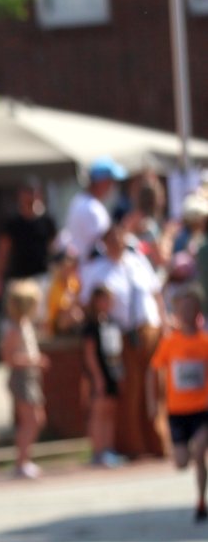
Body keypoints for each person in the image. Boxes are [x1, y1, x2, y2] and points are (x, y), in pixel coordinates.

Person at [79, 218, 166, 459]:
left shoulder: (138, 261)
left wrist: (164, 322)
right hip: (121, 336)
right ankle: (132, 446)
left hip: (148, 331)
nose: (117, 242)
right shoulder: (96, 269)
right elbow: (87, 303)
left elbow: (156, 293)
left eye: (120, 237)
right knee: (130, 391)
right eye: (112, 238)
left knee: (154, 388)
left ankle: (158, 443)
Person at [149, 285, 208, 519]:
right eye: (182, 308)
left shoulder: (205, 342)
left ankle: (201, 502)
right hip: (178, 411)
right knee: (182, 462)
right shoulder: (169, 342)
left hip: (202, 409)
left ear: (198, 311)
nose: (186, 313)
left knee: (200, 451)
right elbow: (152, 370)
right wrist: (153, 401)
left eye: (191, 308)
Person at [1, 279, 47, 480]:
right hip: (21, 377)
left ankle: (25, 459)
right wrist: (33, 361)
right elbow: (8, 358)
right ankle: (21, 462)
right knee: (31, 420)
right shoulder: (13, 329)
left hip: (30, 376)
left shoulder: (26, 325)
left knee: (37, 419)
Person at [0, 183, 57, 302]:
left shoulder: (47, 221)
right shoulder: (12, 223)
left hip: (42, 278)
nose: (30, 197)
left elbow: (53, 249)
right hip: (18, 280)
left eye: (33, 193)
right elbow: (2, 252)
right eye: (27, 193)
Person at [81, 283, 125, 468]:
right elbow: (89, 354)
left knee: (110, 413)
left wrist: (120, 374)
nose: (107, 303)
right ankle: (98, 452)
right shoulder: (91, 326)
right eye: (103, 299)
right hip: (99, 375)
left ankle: (108, 449)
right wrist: (97, 377)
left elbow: (117, 352)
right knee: (98, 413)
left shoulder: (113, 323)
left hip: (113, 372)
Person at [61, 159, 124, 263]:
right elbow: (106, 245)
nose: (112, 187)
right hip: (93, 268)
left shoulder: (79, 200)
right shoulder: (92, 208)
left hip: (86, 266)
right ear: (102, 182)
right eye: (110, 181)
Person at [44, 248, 84, 337]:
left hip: (70, 327)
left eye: (71, 267)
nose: (68, 270)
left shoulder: (75, 283)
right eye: (65, 267)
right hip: (53, 328)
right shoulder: (49, 284)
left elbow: (78, 305)